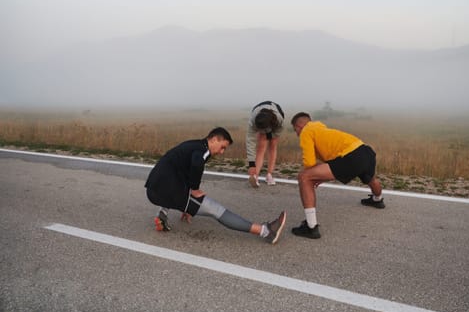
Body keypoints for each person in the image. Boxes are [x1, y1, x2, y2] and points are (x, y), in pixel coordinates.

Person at [145, 127, 286, 244]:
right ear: (213, 139)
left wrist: (187, 205)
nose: (221, 152)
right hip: (166, 190)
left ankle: (162, 213)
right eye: (222, 147)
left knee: (185, 196)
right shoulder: (203, 151)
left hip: (154, 188)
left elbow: (182, 171)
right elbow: (196, 163)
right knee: (215, 209)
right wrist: (194, 189)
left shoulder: (193, 145)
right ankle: (266, 231)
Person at [290, 112, 385, 239]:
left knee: (304, 176)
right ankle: (377, 200)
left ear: (299, 125)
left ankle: (311, 227)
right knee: (370, 178)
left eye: (295, 129)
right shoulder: (321, 129)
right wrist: (320, 177)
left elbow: (309, 163)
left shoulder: (306, 131)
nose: (296, 133)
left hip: (350, 158)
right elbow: (334, 162)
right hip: (365, 151)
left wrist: (311, 176)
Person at [246, 101, 285, 188]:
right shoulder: (253, 121)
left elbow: (278, 132)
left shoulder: (279, 119)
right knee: (261, 147)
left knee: (273, 145)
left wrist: (269, 135)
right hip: (260, 114)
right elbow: (250, 142)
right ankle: (255, 175)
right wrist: (251, 164)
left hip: (274, 118)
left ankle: (269, 175)